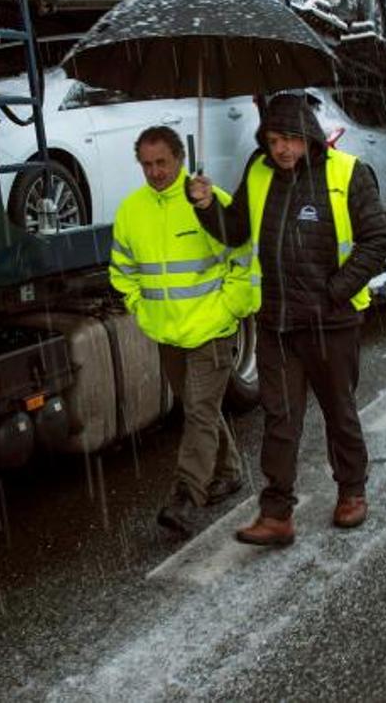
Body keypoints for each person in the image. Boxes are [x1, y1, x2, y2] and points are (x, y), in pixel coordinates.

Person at [188, 91, 386, 546]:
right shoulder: (258, 173)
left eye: (291, 139)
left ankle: (352, 492)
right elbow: (235, 232)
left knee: (340, 412)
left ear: (310, 136)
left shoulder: (347, 173)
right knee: (280, 420)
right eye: (274, 139)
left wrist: (334, 293)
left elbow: (377, 241)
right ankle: (277, 513)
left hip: (332, 324)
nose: (281, 149)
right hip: (277, 326)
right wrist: (205, 206)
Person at [109, 126, 255, 538]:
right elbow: (123, 271)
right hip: (167, 333)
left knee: (198, 410)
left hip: (211, 328)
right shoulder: (130, 211)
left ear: (180, 159)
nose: (155, 172)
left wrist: (230, 308)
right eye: (147, 164)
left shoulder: (208, 201)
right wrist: (139, 308)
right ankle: (228, 472)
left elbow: (243, 260)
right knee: (198, 408)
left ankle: (187, 496)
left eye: (162, 163)